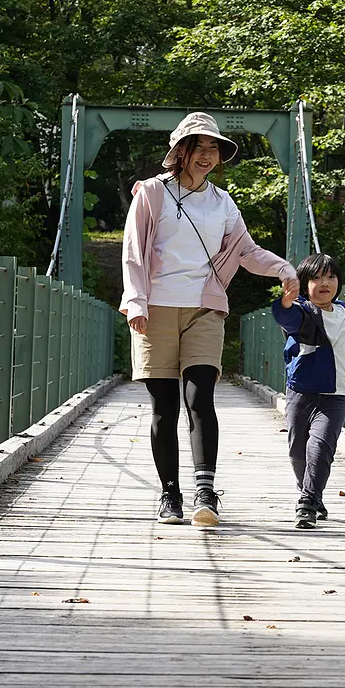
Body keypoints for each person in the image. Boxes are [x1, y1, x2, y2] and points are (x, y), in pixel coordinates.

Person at [120, 112, 299, 527]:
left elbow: (247, 252)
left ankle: (205, 491)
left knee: (200, 397)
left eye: (213, 148)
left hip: (204, 308)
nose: (206, 155)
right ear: (179, 152)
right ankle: (170, 496)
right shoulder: (150, 194)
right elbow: (132, 251)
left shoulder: (222, 202)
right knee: (164, 407)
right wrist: (137, 301)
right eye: (198, 147)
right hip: (156, 309)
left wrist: (284, 270)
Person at [271, 253, 345, 529]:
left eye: (330, 277)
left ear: (339, 282)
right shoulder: (303, 312)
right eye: (315, 278)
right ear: (304, 285)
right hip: (301, 393)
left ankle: (307, 501)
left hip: (335, 395)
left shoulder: (344, 313)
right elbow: (286, 317)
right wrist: (286, 301)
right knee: (297, 450)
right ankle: (310, 491)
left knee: (321, 447)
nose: (324, 283)